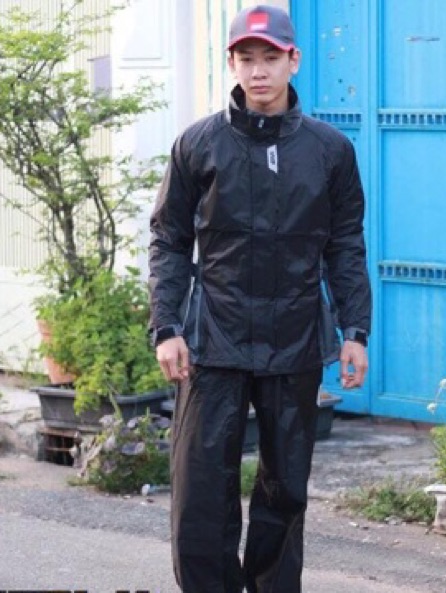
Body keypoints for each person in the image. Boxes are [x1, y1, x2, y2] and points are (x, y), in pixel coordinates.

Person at [148, 5, 371, 592]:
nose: (258, 70)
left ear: (293, 60)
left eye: (270, 57)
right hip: (214, 341)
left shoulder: (329, 151)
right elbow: (169, 240)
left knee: (285, 489)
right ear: (232, 63)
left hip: (294, 340)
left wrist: (355, 331)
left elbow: (346, 245)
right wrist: (167, 326)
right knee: (201, 490)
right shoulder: (199, 144)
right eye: (246, 58)